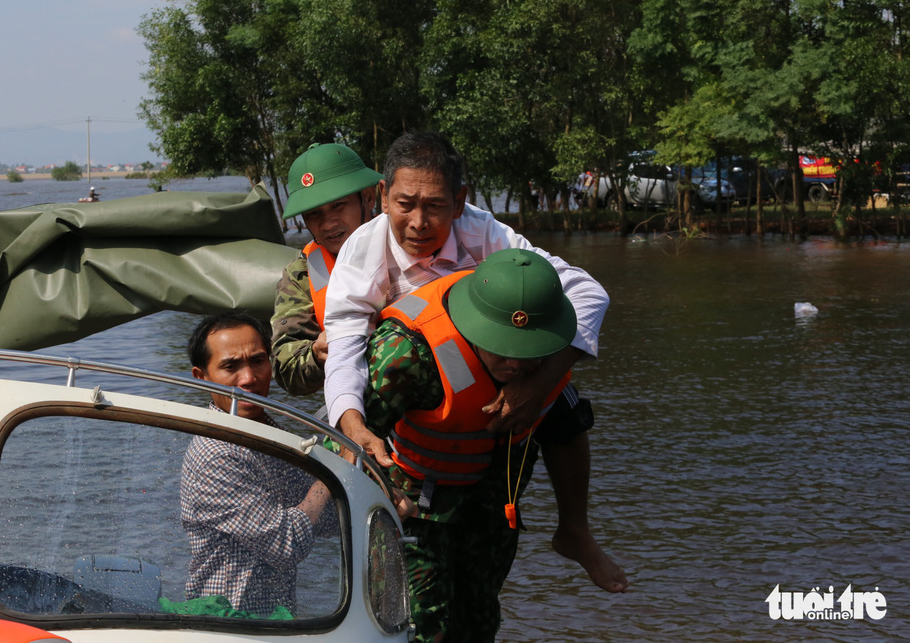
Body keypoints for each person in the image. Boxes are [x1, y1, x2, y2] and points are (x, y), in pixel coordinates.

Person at [323, 131, 627, 594]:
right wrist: (351, 422)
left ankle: (575, 531)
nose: (419, 223)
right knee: (351, 415)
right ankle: (321, 512)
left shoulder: (488, 233)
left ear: (460, 201)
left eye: (436, 206)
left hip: (497, 363)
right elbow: (345, 345)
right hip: (415, 371)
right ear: (382, 196)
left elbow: (587, 293)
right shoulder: (363, 251)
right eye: (405, 204)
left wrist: (540, 381)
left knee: (565, 404)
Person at [362, 249, 598, 641]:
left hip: (490, 510)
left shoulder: (551, 359)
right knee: (420, 624)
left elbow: (568, 430)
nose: (515, 365)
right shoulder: (407, 355)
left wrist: (576, 528)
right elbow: (351, 438)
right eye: (502, 347)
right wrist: (382, 490)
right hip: (414, 511)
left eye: (527, 353)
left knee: (480, 619)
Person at [180, 311, 334, 616]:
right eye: (230, 366)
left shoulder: (266, 433)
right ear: (202, 377)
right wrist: (334, 470)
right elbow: (286, 543)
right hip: (227, 623)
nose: (249, 378)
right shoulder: (216, 453)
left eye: (258, 361)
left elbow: (323, 517)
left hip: (268, 620)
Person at [271, 142, 381, 396]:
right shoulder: (302, 274)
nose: (328, 223)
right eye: (313, 214)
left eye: (337, 206)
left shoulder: (413, 240)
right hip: (361, 408)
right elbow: (285, 368)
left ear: (368, 197)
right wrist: (316, 355)